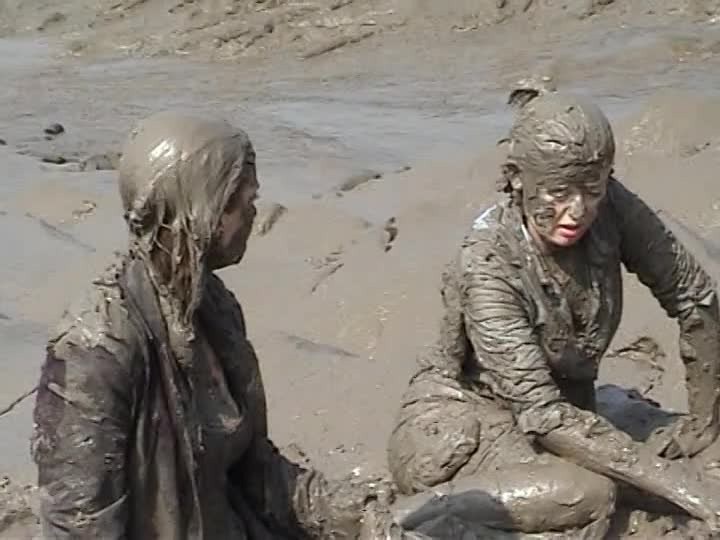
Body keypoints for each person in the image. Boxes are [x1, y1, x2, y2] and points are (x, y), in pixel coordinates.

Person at [30, 112, 391, 539]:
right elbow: (77, 524)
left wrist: (350, 513)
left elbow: (254, 473)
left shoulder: (214, 309)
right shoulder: (98, 346)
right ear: (204, 209)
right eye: (244, 198)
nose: (255, 211)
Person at [385, 82, 720, 538]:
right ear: (517, 179)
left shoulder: (611, 205)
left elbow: (694, 296)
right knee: (589, 492)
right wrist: (688, 491)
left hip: (567, 404)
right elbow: (543, 415)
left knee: (709, 454)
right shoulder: (487, 264)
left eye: (592, 189)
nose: (576, 210)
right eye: (557, 193)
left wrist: (704, 423)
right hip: (464, 423)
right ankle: (409, 518)